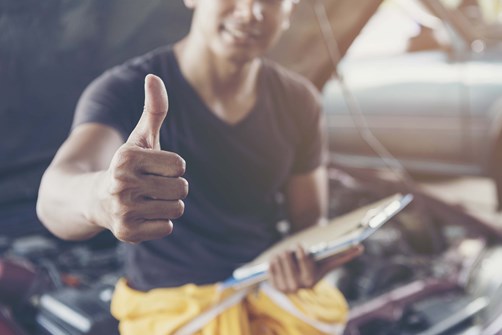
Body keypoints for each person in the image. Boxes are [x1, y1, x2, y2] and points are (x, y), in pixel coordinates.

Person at [37, 0, 362, 333]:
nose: (251, 12)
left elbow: (309, 221)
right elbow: (53, 196)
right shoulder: (126, 91)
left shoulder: (300, 101)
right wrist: (99, 198)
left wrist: (307, 261)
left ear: (291, 10)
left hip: (271, 296)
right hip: (172, 310)